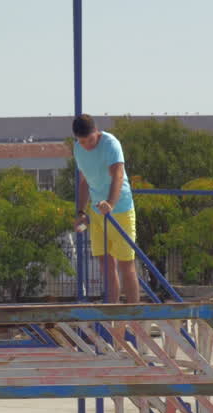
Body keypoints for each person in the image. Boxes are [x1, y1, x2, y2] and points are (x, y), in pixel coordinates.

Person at [72, 114, 139, 303]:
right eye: (82, 141)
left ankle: (134, 316)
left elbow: (117, 175)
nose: (86, 145)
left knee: (127, 265)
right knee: (106, 266)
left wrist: (111, 203)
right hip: (97, 212)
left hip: (121, 211)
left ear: (96, 132)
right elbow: (84, 181)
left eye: (90, 140)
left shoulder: (111, 144)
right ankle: (112, 317)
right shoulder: (78, 148)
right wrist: (81, 212)